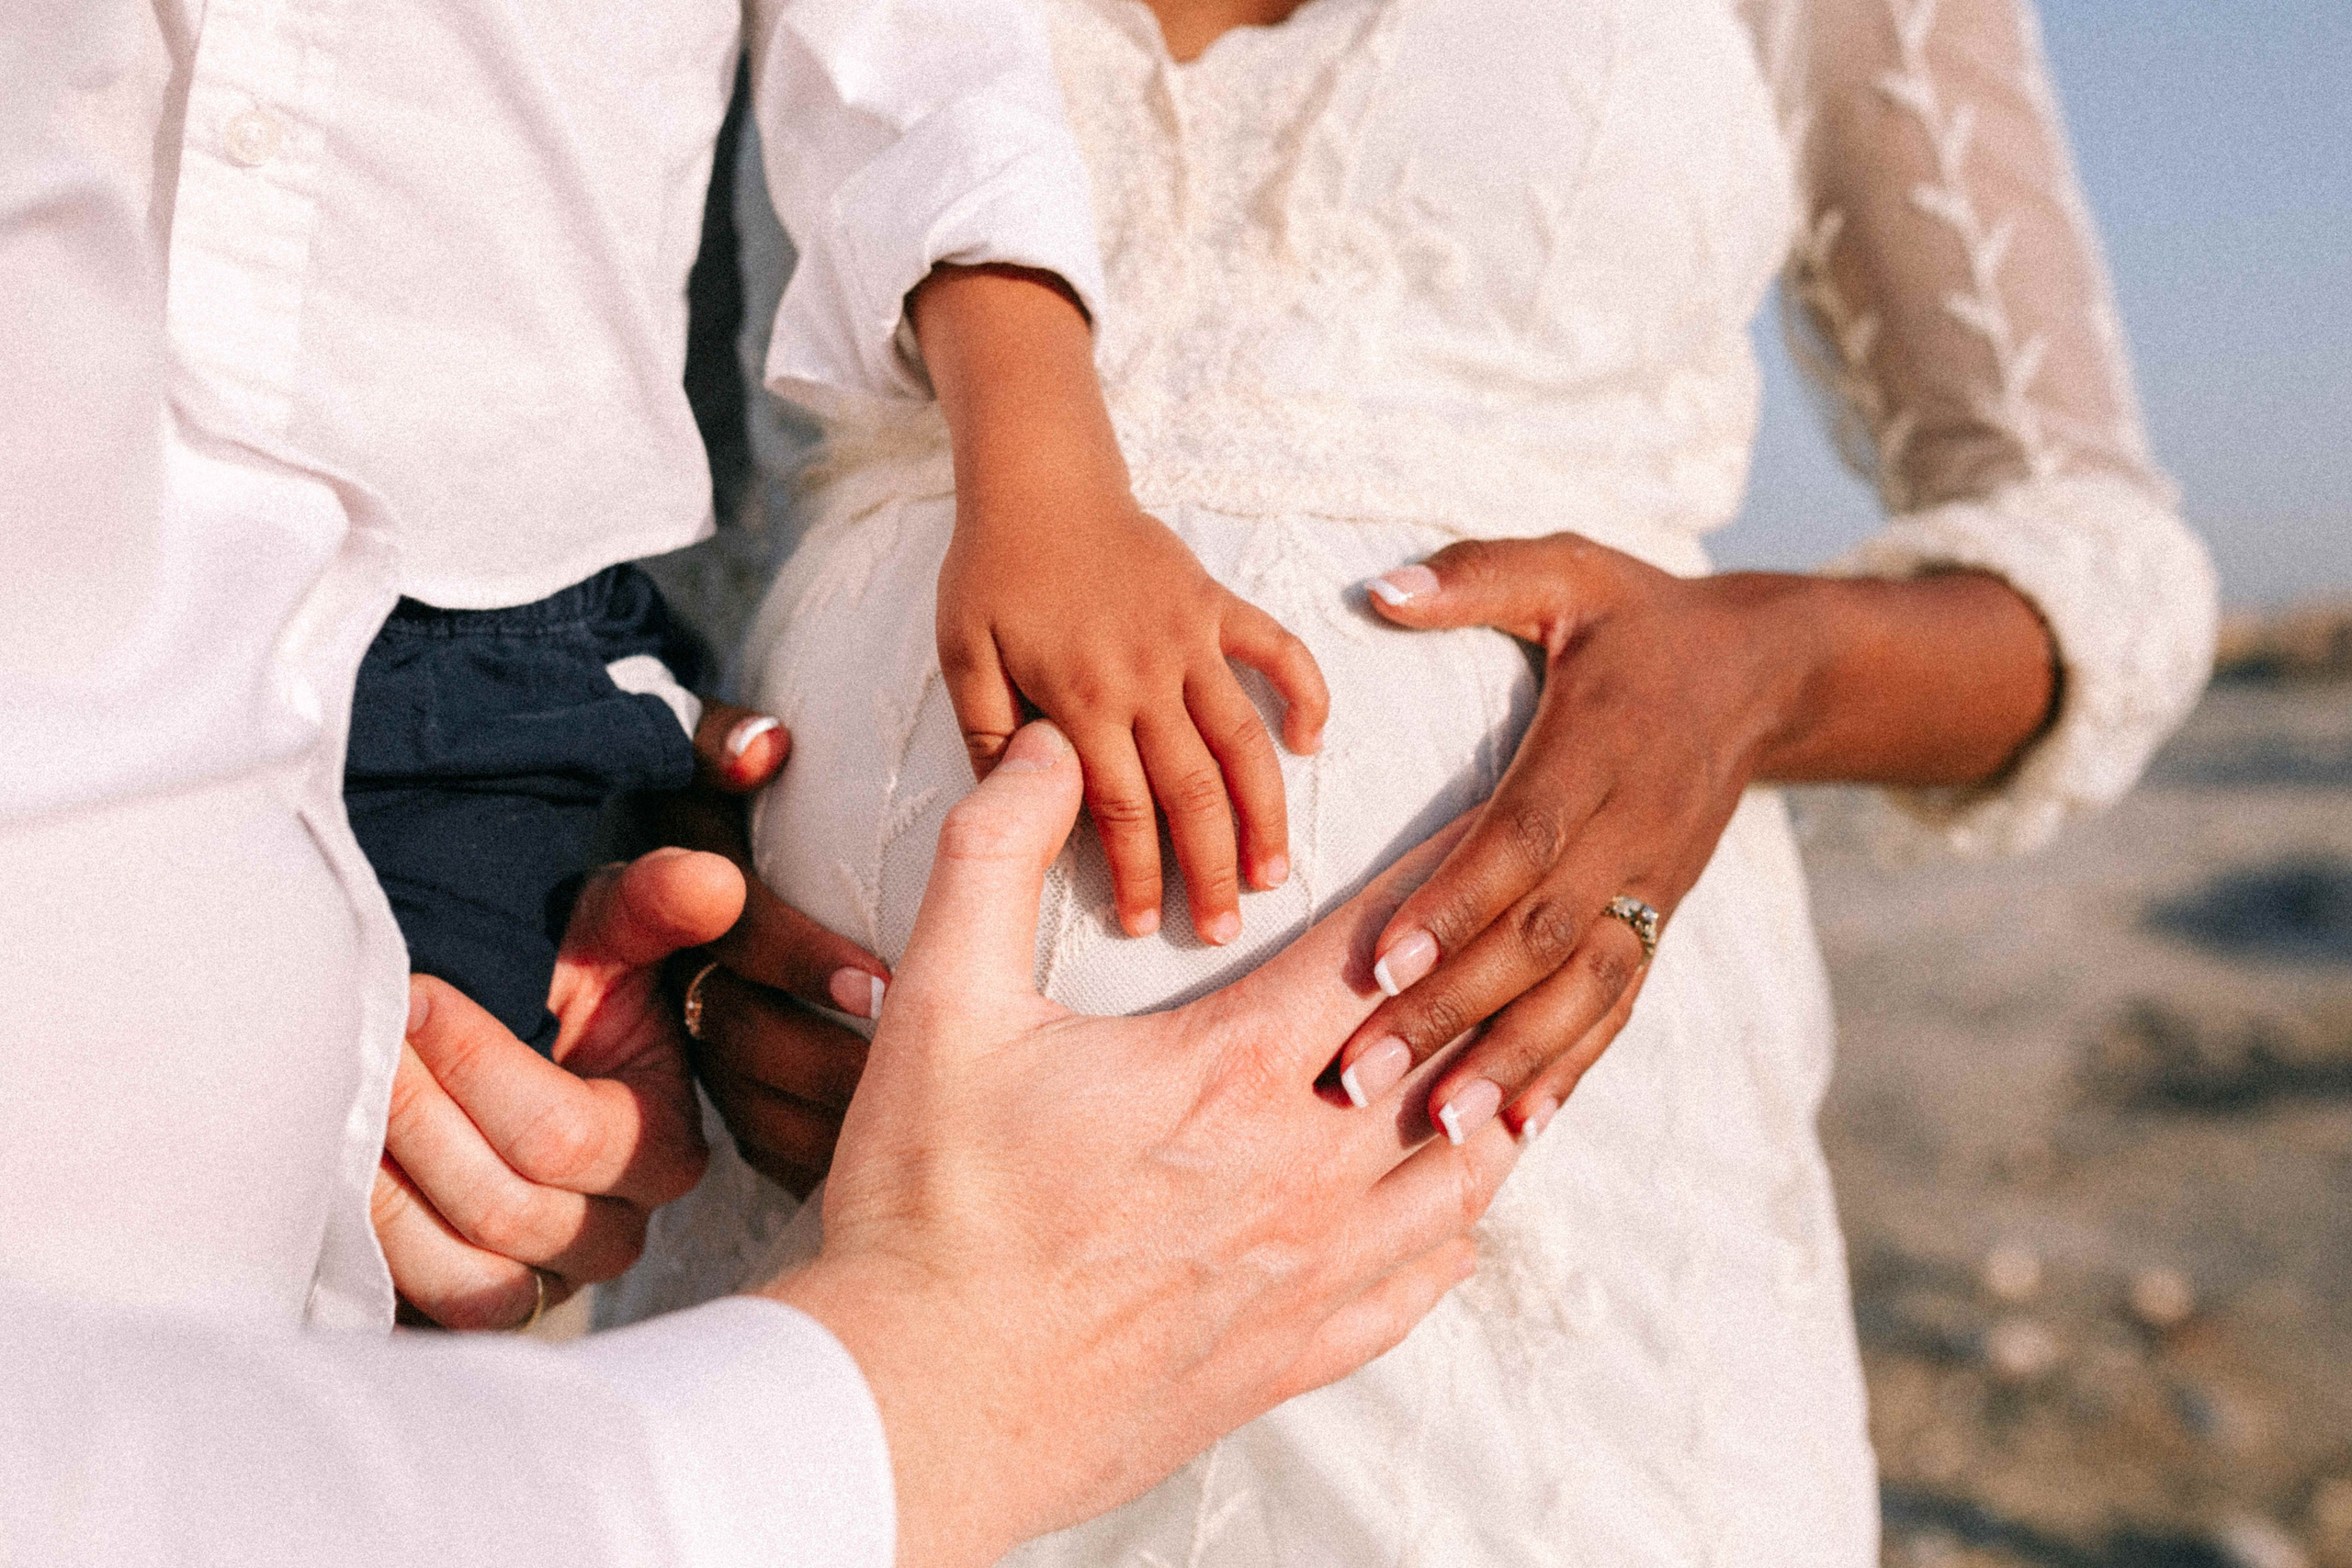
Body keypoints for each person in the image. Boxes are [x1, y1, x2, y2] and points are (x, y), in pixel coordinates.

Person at [635, 0, 2221, 1561]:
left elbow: (2103, 554)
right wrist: (670, 831)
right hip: (845, 1187)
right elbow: (625, 496)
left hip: (1519, 1206)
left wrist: (1750, 677)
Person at [0, 6, 1517, 1560]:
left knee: (335, 1368)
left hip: (491, 623)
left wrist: (1046, 454)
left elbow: (907, 52)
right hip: (56, 543)